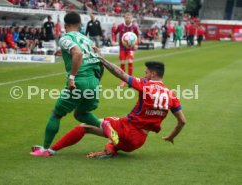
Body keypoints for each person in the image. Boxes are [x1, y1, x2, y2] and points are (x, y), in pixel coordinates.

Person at [31, 59, 186, 158]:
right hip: (138, 142)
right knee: (116, 126)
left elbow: (121, 74)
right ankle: (111, 148)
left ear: (152, 74)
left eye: (146, 73)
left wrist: (101, 59)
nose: (144, 75)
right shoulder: (171, 95)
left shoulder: (146, 85)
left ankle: (50, 150)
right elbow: (182, 121)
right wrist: (171, 136)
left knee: (84, 127)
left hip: (127, 130)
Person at [30, 11, 104, 153]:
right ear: (80, 25)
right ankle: (108, 128)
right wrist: (96, 82)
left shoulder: (66, 38)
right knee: (81, 114)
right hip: (94, 81)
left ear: (66, 25)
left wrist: (72, 78)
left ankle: (45, 149)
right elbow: (100, 62)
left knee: (56, 114)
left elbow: (77, 53)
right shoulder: (88, 40)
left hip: (79, 81)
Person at [113, 13, 139, 87]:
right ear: (124, 18)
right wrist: (113, 40)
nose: (128, 19)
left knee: (130, 62)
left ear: (131, 19)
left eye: (129, 18)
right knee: (123, 63)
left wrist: (136, 44)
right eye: (126, 17)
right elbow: (114, 33)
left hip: (130, 48)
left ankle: (130, 81)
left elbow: (137, 35)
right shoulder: (120, 26)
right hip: (122, 48)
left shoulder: (134, 27)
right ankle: (123, 80)